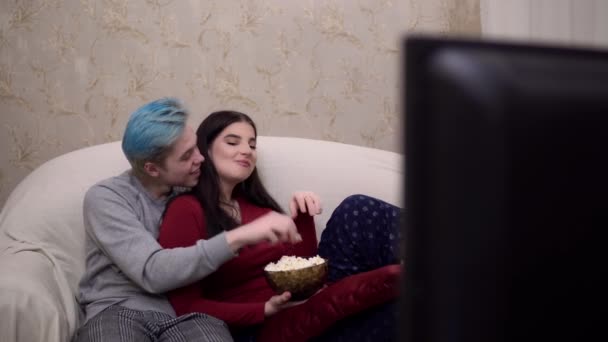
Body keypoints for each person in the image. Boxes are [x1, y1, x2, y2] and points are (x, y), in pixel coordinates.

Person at [74, 98, 315, 342]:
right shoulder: (107, 198)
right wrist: (240, 236)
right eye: (187, 155)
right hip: (118, 308)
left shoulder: (194, 192)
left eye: (196, 147)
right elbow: (152, 271)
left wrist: (300, 212)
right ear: (152, 169)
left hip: (187, 315)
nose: (200, 159)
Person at [157, 110, 403, 342]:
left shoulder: (260, 208)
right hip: (263, 327)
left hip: (310, 303)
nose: (247, 151)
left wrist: (303, 217)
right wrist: (264, 309)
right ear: (205, 150)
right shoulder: (187, 209)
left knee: (355, 210)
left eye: (252, 145)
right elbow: (184, 306)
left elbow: (302, 267)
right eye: (233, 142)